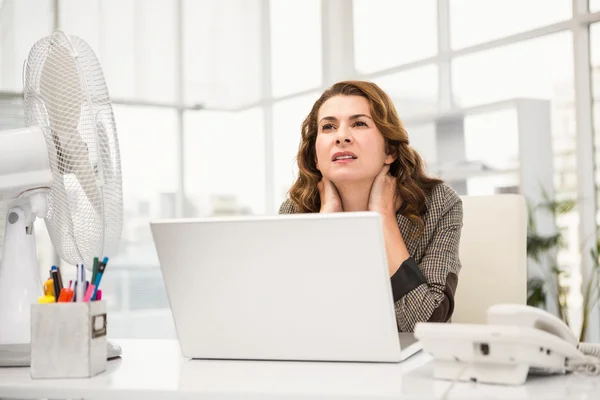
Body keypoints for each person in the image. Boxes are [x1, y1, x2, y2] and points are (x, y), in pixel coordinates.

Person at [278, 80, 463, 332]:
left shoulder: (438, 205)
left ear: (390, 150)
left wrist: (383, 217)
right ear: (315, 156)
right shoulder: (296, 210)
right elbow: (288, 321)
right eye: (329, 127)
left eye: (359, 123)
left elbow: (425, 326)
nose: (342, 136)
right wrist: (324, 226)